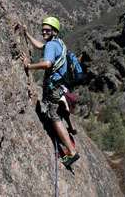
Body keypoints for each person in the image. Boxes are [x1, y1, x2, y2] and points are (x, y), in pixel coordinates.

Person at [20, 17, 80, 167]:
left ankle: (72, 153)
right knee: (60, 109)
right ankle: (72, 127)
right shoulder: (58, 43)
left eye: (47, 30)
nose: (44, 31)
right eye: (43, 29)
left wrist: (29, 66)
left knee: (54, 118)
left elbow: (47, 64)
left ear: (54, 31)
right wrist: (27, 35)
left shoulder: (51, 46)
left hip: (55, 88)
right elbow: (42, 46)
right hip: (62, 86)